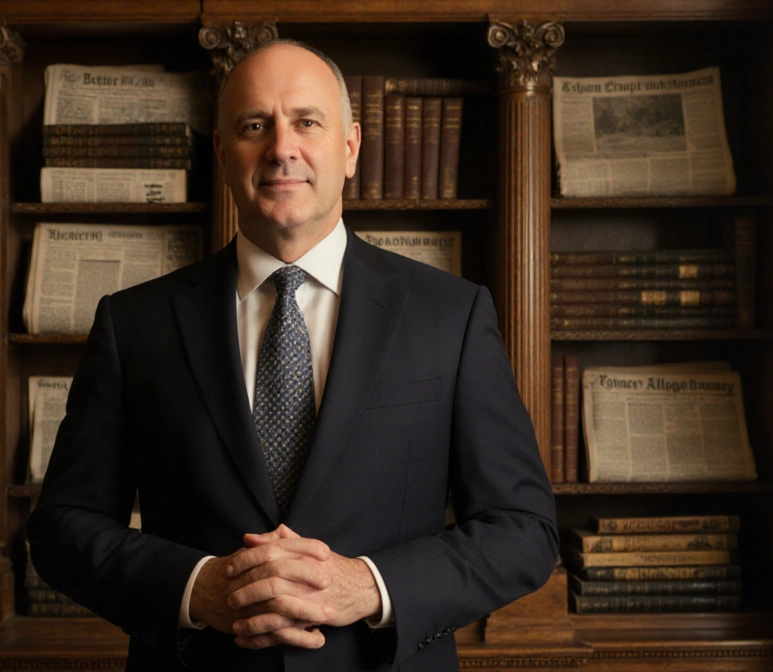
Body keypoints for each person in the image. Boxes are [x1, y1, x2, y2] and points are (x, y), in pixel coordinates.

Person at [28, 40, 558, 671]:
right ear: (224, 155)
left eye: (307, 122)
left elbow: (523, 529)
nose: (282, 148)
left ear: (352, 147)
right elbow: (63, 526)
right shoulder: (134, 322)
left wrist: (369, 585)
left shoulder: (451, 314)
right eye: (256, 126)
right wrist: (195, 588)